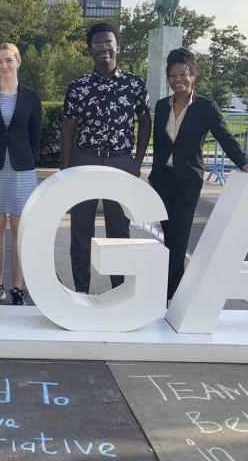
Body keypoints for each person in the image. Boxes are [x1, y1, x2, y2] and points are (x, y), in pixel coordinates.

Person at [149, 48, 248, 300]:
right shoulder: (161, 106)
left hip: (187, 181)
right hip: (162, 180)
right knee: (168, 236)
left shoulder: (206, 107)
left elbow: (225, 137)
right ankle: (169, 286)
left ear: (193, 77)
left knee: (179, 237)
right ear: (168, 78)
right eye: (173, 75)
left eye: (183, 74)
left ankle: (171, 295)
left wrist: (244, 162)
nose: (178, 79)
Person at [59, 22, 152, 294]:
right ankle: (80, 292)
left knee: (119, 231)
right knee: (80, 231)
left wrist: (136, 162)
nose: (103, 48)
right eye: (97, 44)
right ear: (90, 50)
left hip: (120, 162)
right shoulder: (78, 86)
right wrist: (65, 170)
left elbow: (145, 121)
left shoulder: (133, 83)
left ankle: (119, 292)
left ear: (117, 47)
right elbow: (68, 128)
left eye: (108, 43)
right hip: (84, 159)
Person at [0, 43, 42, 306]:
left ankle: (17, 289)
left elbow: (35, 136)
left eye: (8, 61)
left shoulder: (32, 97)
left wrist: (20, 154)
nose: (3, 66)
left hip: (22, 170)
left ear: (18, 62)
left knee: (20, 230)